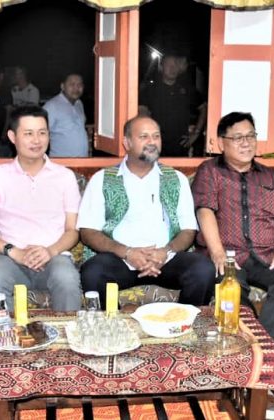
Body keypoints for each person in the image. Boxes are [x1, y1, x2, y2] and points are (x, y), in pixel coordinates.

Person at [192, 112, 274, 347]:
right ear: (221, 142)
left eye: (251, 136)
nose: (246, 143)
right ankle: (246, 346)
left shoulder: (270, 176)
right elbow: (205, 211)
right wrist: (217, 252)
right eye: (238, 138)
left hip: (266, 255)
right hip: (228, 256)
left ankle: (265, 349)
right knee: (232, 288)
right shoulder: (210, 171)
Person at [78, 115, 215, 309]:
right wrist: (127, 253)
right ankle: (113, 326)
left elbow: (188, 230)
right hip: (120, 260)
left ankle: (183, 322)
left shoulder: (176, 179)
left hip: (165, 260)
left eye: (156, 136)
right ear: (127, 143)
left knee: (203, 269)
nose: (152, 142)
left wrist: (165, 252)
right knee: (93, 272)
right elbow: (88, 231)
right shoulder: (103, 179)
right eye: (144, 136)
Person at [0, 106, 83, 310]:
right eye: (28, 133)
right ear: (12, 137)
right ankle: (5, 331)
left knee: (67, 279)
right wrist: (13, 251)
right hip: (9, 258)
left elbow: (72, 230)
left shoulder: (65, 177)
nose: (37, 140)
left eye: (42, 133)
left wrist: (50, 251)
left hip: (54, 257)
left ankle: (66, 331)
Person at [139, 55, 207, 157]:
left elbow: (203, 108)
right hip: (156, 146)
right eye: (169, 65)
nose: (173, 68)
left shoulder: (187, 89)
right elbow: (142, 113)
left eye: (175, 65)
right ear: (161, 67)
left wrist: (195, 134)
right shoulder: (150, 90)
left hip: (181, 146)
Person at [43, 73, 88, 157]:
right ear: (62, 86)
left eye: (79, 85)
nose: (76, 88)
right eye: (72, 84)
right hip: (61, 161)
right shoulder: (52, 106)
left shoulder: (79, 104)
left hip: (82, 161)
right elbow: (40, 133)